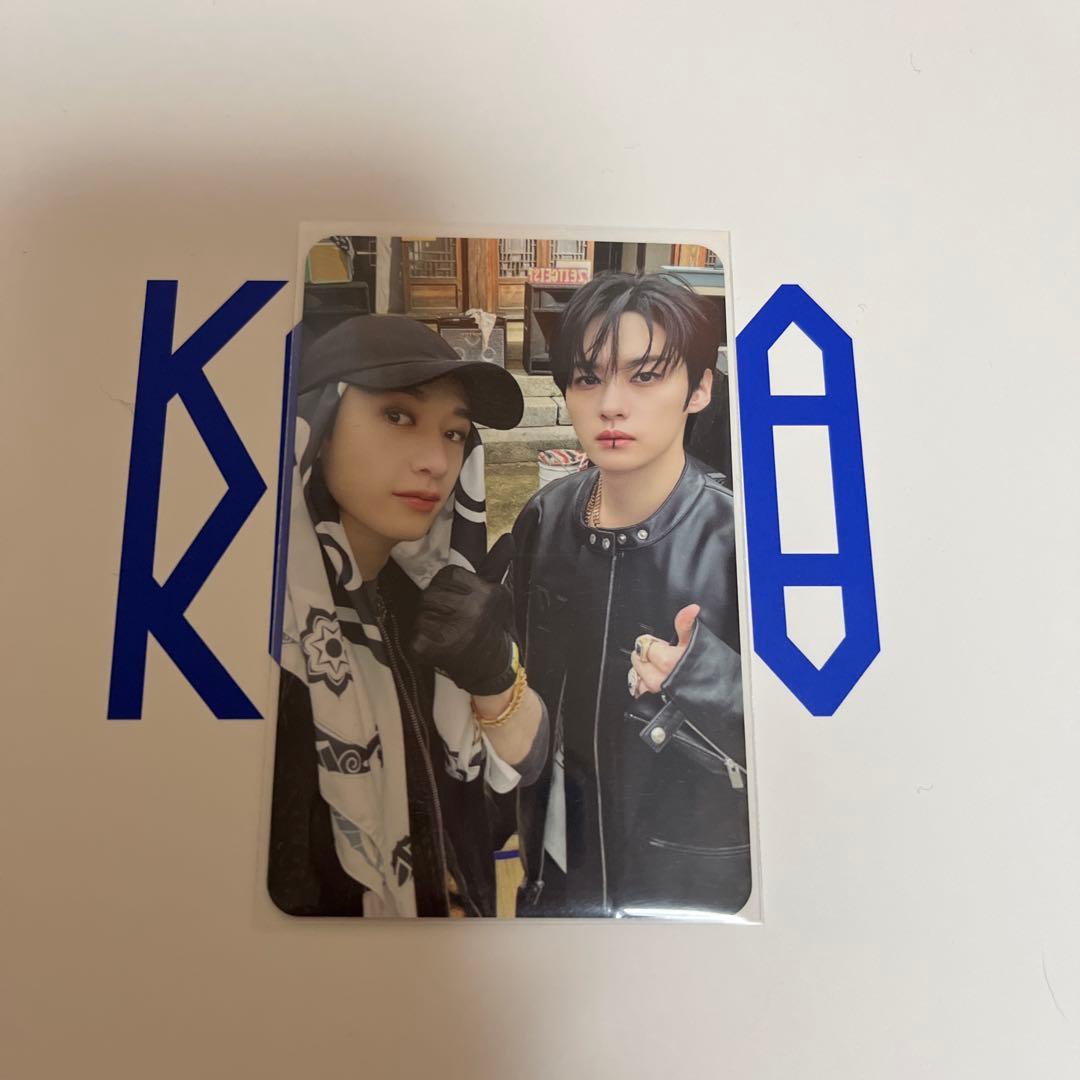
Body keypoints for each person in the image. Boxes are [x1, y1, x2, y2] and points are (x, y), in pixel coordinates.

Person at [268, 314, 546, 918]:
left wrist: (493, 674)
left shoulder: (429, 605)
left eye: (454, 433)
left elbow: (515, 781)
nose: (436, 461)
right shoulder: (275, 644)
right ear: (319, 425)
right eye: (397, 416)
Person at [509, 271, 751, 918]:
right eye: (588, 378)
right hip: (557, 883)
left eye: (645, 376)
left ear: (700, 388)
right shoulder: (543, 521)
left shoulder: (741, 541)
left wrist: (705, 679)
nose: (611, 405)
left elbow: (810, 742)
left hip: (690, 901)